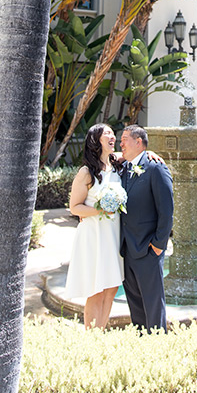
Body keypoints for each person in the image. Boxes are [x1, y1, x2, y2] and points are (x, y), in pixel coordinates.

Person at [65, 123, 124, 329]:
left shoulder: (116, 164)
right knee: (96, 288)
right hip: (94, 234)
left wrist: (150, 152)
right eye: (106, 133)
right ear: (95, 140)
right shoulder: (86, 172)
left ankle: (102, 330)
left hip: (113, 234)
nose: (112, 136)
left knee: (111, 287)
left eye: (112, 133)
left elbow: (136, 154)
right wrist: (101, 210)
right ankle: (91, 336)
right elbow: (75, 207)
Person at [119, 124, 174, 332]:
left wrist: (158, 246)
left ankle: (158, 345)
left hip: (148, 250)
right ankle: (142, 345)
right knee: (135, 305)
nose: (121, 143)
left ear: (138, 142)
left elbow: (166, 211)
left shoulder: (155, 168)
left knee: (153, 306)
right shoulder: (122, 168)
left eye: (125, 139)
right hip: (127, 249)